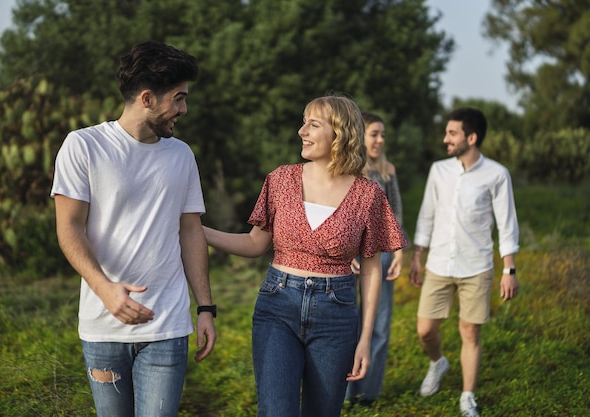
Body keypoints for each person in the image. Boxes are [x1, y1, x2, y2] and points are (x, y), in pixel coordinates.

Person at [203, 94, 408, 417]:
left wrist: (365, 339)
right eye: (303, 123)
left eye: (313, 124)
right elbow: (256, 244)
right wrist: (197, 232)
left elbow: (371, 270)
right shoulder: (280, 179)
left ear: (339, 133)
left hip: (337, 314)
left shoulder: (369, 194)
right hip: (277, 306)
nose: (302, 131)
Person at [51, 41, 216, 417]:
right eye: (178, 99)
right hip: (103, 325)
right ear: (147, 98)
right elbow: (69, 228)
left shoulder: (182, 155)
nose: (184, 109)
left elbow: (191, 232)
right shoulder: (83, 146)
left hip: (167, 325)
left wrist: (205, 307)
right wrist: (105, 290)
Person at [409, 107, 519, 417]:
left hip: (476, 266)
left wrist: (509, 270)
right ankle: (438, 362)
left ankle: (467, 396)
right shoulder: (439, 170)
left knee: (470, 331)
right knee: (424, 330)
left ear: (471, 138)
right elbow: (427, 214)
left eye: (452, 133)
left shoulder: (497, 175)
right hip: (439, 263)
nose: (445, 139)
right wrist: (418, 254)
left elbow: (507, 224)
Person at [345, 112, 405, 405]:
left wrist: (399, 251)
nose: (380, 140)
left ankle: (367, 393)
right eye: (374, 134)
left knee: (378, 325)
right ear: (360, 136)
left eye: (383, 135)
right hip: (348, 258)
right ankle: (341, 393)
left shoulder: (387, 171)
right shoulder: (347, 171)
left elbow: (395, 213)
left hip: (380, 255)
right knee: (346, 323)